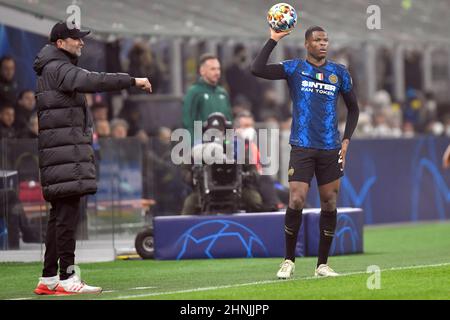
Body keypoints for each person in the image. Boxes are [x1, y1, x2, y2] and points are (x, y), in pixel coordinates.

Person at [33, 21, 152, 295]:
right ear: (60, 42)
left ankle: (49, 277)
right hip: (64, 157)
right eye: (76, 38)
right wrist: (131, 80)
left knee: (59, 217)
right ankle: (67, 277)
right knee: (66, 218)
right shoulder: (58, 68)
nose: (82, 43)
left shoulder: (52, 66)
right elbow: (92, 81)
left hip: (61, 156)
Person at [251, 26, 359, 278]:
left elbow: (354, 109)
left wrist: (346, 141)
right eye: (317, 40)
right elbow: (256, 69)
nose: (323, 44)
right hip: (302, 145)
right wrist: (273, 39)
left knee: (329, 202)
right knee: (296, 199)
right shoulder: (294, 68)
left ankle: (322, 264)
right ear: (307, 44)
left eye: (326, 39)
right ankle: (288, 260)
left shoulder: (339, 73)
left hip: (331, 147)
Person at [182, 54, 233, 144]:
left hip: (222, 144)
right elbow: (188, 122)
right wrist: (194, 146)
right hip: (202, 145)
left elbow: (229, 121)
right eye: (213, 69)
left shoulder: (223, 93)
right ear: (202, 71)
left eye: (218, 69)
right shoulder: (194, 92)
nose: (217, 72)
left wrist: (229, 143)